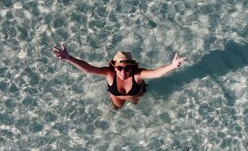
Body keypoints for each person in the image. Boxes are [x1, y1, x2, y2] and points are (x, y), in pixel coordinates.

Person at [52, 45, 187, 109]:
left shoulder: (137, 75)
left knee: (136, 106)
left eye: (127, 68)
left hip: (136, 96)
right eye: (119, 68)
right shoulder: (109, 74)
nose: (123, 71)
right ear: (114, 67)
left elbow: (156, 73)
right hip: (116, 97)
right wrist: (69, 58)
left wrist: (172, 66)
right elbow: (88, 69)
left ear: (132, 67)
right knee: (117, 109)